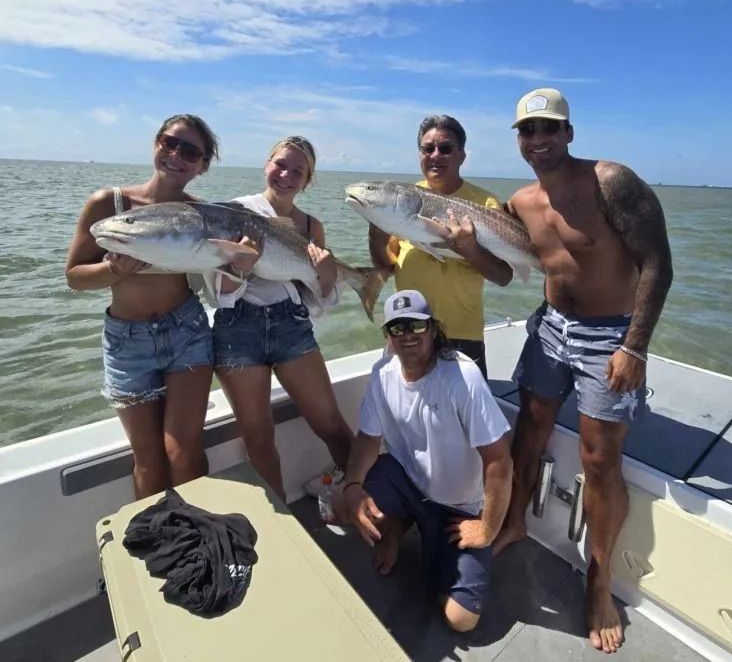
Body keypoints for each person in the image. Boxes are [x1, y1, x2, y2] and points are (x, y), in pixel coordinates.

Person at [493, 88, 673, 654]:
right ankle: (515, 521)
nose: (538, 140)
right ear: (518, 139)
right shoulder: (520, 202)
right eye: (528, 131)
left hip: (608, 337)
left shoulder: (611, 181)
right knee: (530, 427)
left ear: (569, 132)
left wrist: (635, 347)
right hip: (549, 328)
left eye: (549, 129)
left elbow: (657, 264)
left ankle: (599, 584)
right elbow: (500, 261)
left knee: (600, 459)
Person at [65, 114, 220, 498]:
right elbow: (74, 277)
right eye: (169, 143)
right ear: (155, 144)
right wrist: (112, 270)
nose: (176, 155)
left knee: (182, 454)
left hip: (186, 333)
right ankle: (161, 545)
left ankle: (201, 538)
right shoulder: (110, 205)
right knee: (149, 464)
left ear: (202, 166)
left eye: (190, 151)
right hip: (126, 343)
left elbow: (225, 274)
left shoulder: (202, 214)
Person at [342, 289, 512, 633]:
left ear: (433, 330)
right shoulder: (383, 373)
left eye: (417, 326)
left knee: (460, 619)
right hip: (410, 483)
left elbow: (499, 461)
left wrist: (488, 528)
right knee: (344, 505)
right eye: (397, 328)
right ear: (387, 336)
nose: (407, 336)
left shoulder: (462, 378)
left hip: (461, 506)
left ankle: (425, 537)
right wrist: (352, 486)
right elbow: (368, 439)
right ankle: (400, 527)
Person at [209, 136, 354, 502]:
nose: (286, 175)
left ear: (307, 181)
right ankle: (283, 525)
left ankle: (362, 499)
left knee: (331, 425)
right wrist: (240, 268)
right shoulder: (235, 212)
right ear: (266, 163)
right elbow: (216, 291)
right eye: (280, 164)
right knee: (257, 436)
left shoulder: (310, 226)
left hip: (291, 326)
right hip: (237, 330)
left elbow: (319, 298)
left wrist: (324, 273)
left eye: (298, 171)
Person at [368, 114, 512, 378]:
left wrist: (470, 249)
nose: (436, 155)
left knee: (464, 418)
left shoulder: (485, 202)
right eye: (428, 148)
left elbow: (503, 276)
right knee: (405, 412)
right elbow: (386, 265)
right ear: (419, 154)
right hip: (406, 331)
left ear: (461, 156)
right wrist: (376, 235)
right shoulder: (402, 200)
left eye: (445, 148)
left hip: (462, 333)